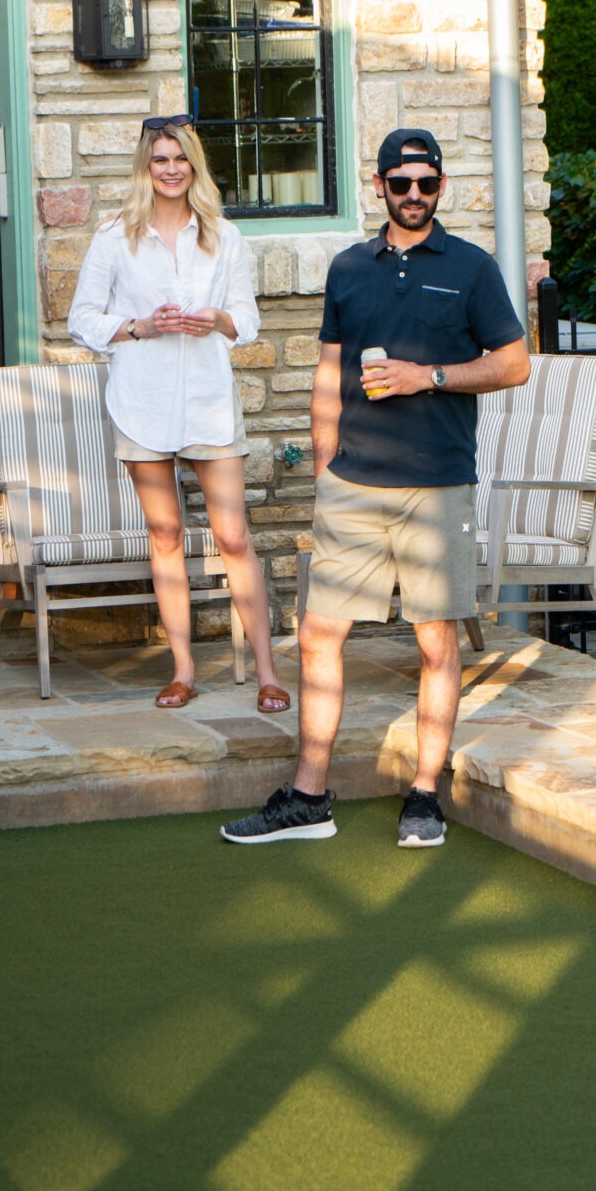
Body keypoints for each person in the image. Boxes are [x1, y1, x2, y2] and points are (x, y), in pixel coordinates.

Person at [221, 128, 529, 849]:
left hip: (436, 485)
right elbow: (329, 367)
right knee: (320, 635)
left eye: (426, 183)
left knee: (435, 641)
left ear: (441, 187)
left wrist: (434, 377)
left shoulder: (473, 268)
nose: (413, 195)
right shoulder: (349, 268)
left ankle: (424, 795)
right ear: (380, 185)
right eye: (401, 183)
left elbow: (514, 363)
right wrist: (325, 456)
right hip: (352, 486)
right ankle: (307, 797)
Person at [68, 115, 290, 714]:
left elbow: (246, 318)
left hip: (209, 403)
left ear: (195, 166)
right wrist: (139, 327)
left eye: (180, 159)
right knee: (165, 535)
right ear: (146, 167)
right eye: (159, 159)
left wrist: (215, 318)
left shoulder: (223, 235)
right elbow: (82, 318)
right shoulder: (115, 236)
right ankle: (184, 670)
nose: (170, 169)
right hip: (141, 403)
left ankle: (268, 674)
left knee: (233, 536)